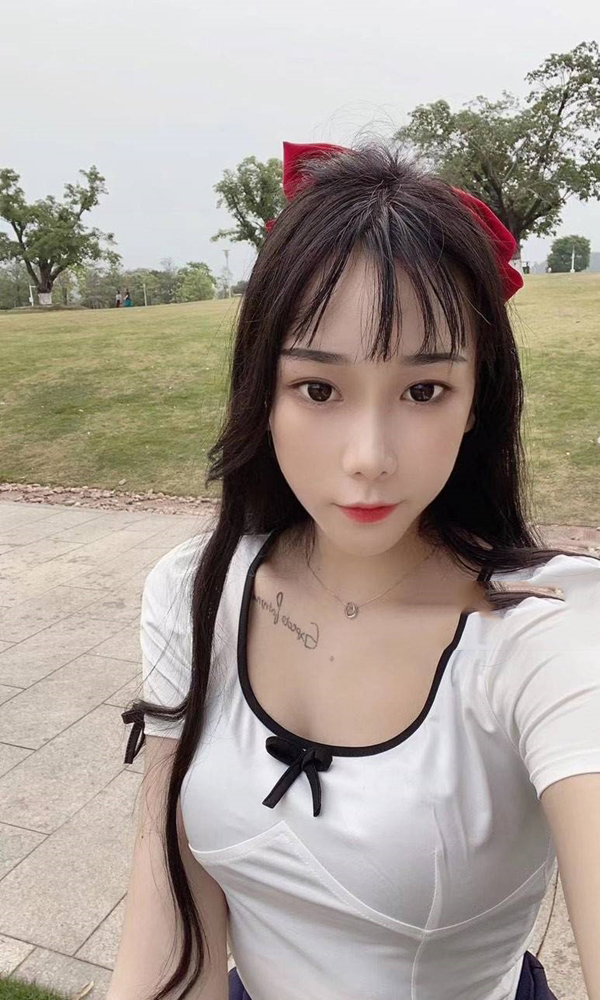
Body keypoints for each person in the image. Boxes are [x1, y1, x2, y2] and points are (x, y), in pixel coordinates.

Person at [112, 141, 600, 1000]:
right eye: (319, 389)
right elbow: (170, 924)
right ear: (263, 391)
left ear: (477, 400)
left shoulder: (549, 634)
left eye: (423, 391)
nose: (369, 458)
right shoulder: (195, 589)